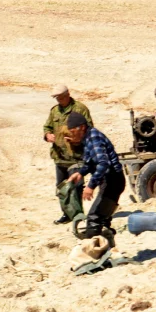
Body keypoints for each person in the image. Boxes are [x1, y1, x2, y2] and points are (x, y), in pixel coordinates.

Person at [65, 113, 125, 239]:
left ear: (81, 127)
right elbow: (91, 163)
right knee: (102, 219)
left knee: (94, 218)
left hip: (113, 181)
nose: (72, 134)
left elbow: (103, 163)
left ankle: (95, 253)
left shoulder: (93, 138)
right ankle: (106, 247)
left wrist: (90, 186)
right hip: (111, 181)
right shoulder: (88, 138)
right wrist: (80, 173)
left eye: (72, 130)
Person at [43, 86, 93, 224]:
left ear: (68, 95)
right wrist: (48, 135)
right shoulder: (55, 111)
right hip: (60, 157)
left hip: (76, 156)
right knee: (62, 187)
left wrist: (78, 139)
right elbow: (47, 127)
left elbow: (89, 129)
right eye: (57, 98)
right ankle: (66, 214)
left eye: (61, 97)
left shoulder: (80, 109)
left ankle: (78, 215)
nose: (59, 100)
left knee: (76, 186)